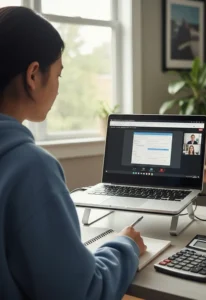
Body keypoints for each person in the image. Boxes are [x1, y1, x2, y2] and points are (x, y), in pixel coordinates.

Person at [0, 6, 146, 300]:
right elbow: (84, 293)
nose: (57, 89)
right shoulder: (32, 169)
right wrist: (125, 245)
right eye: (58, 75)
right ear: (33, 76)